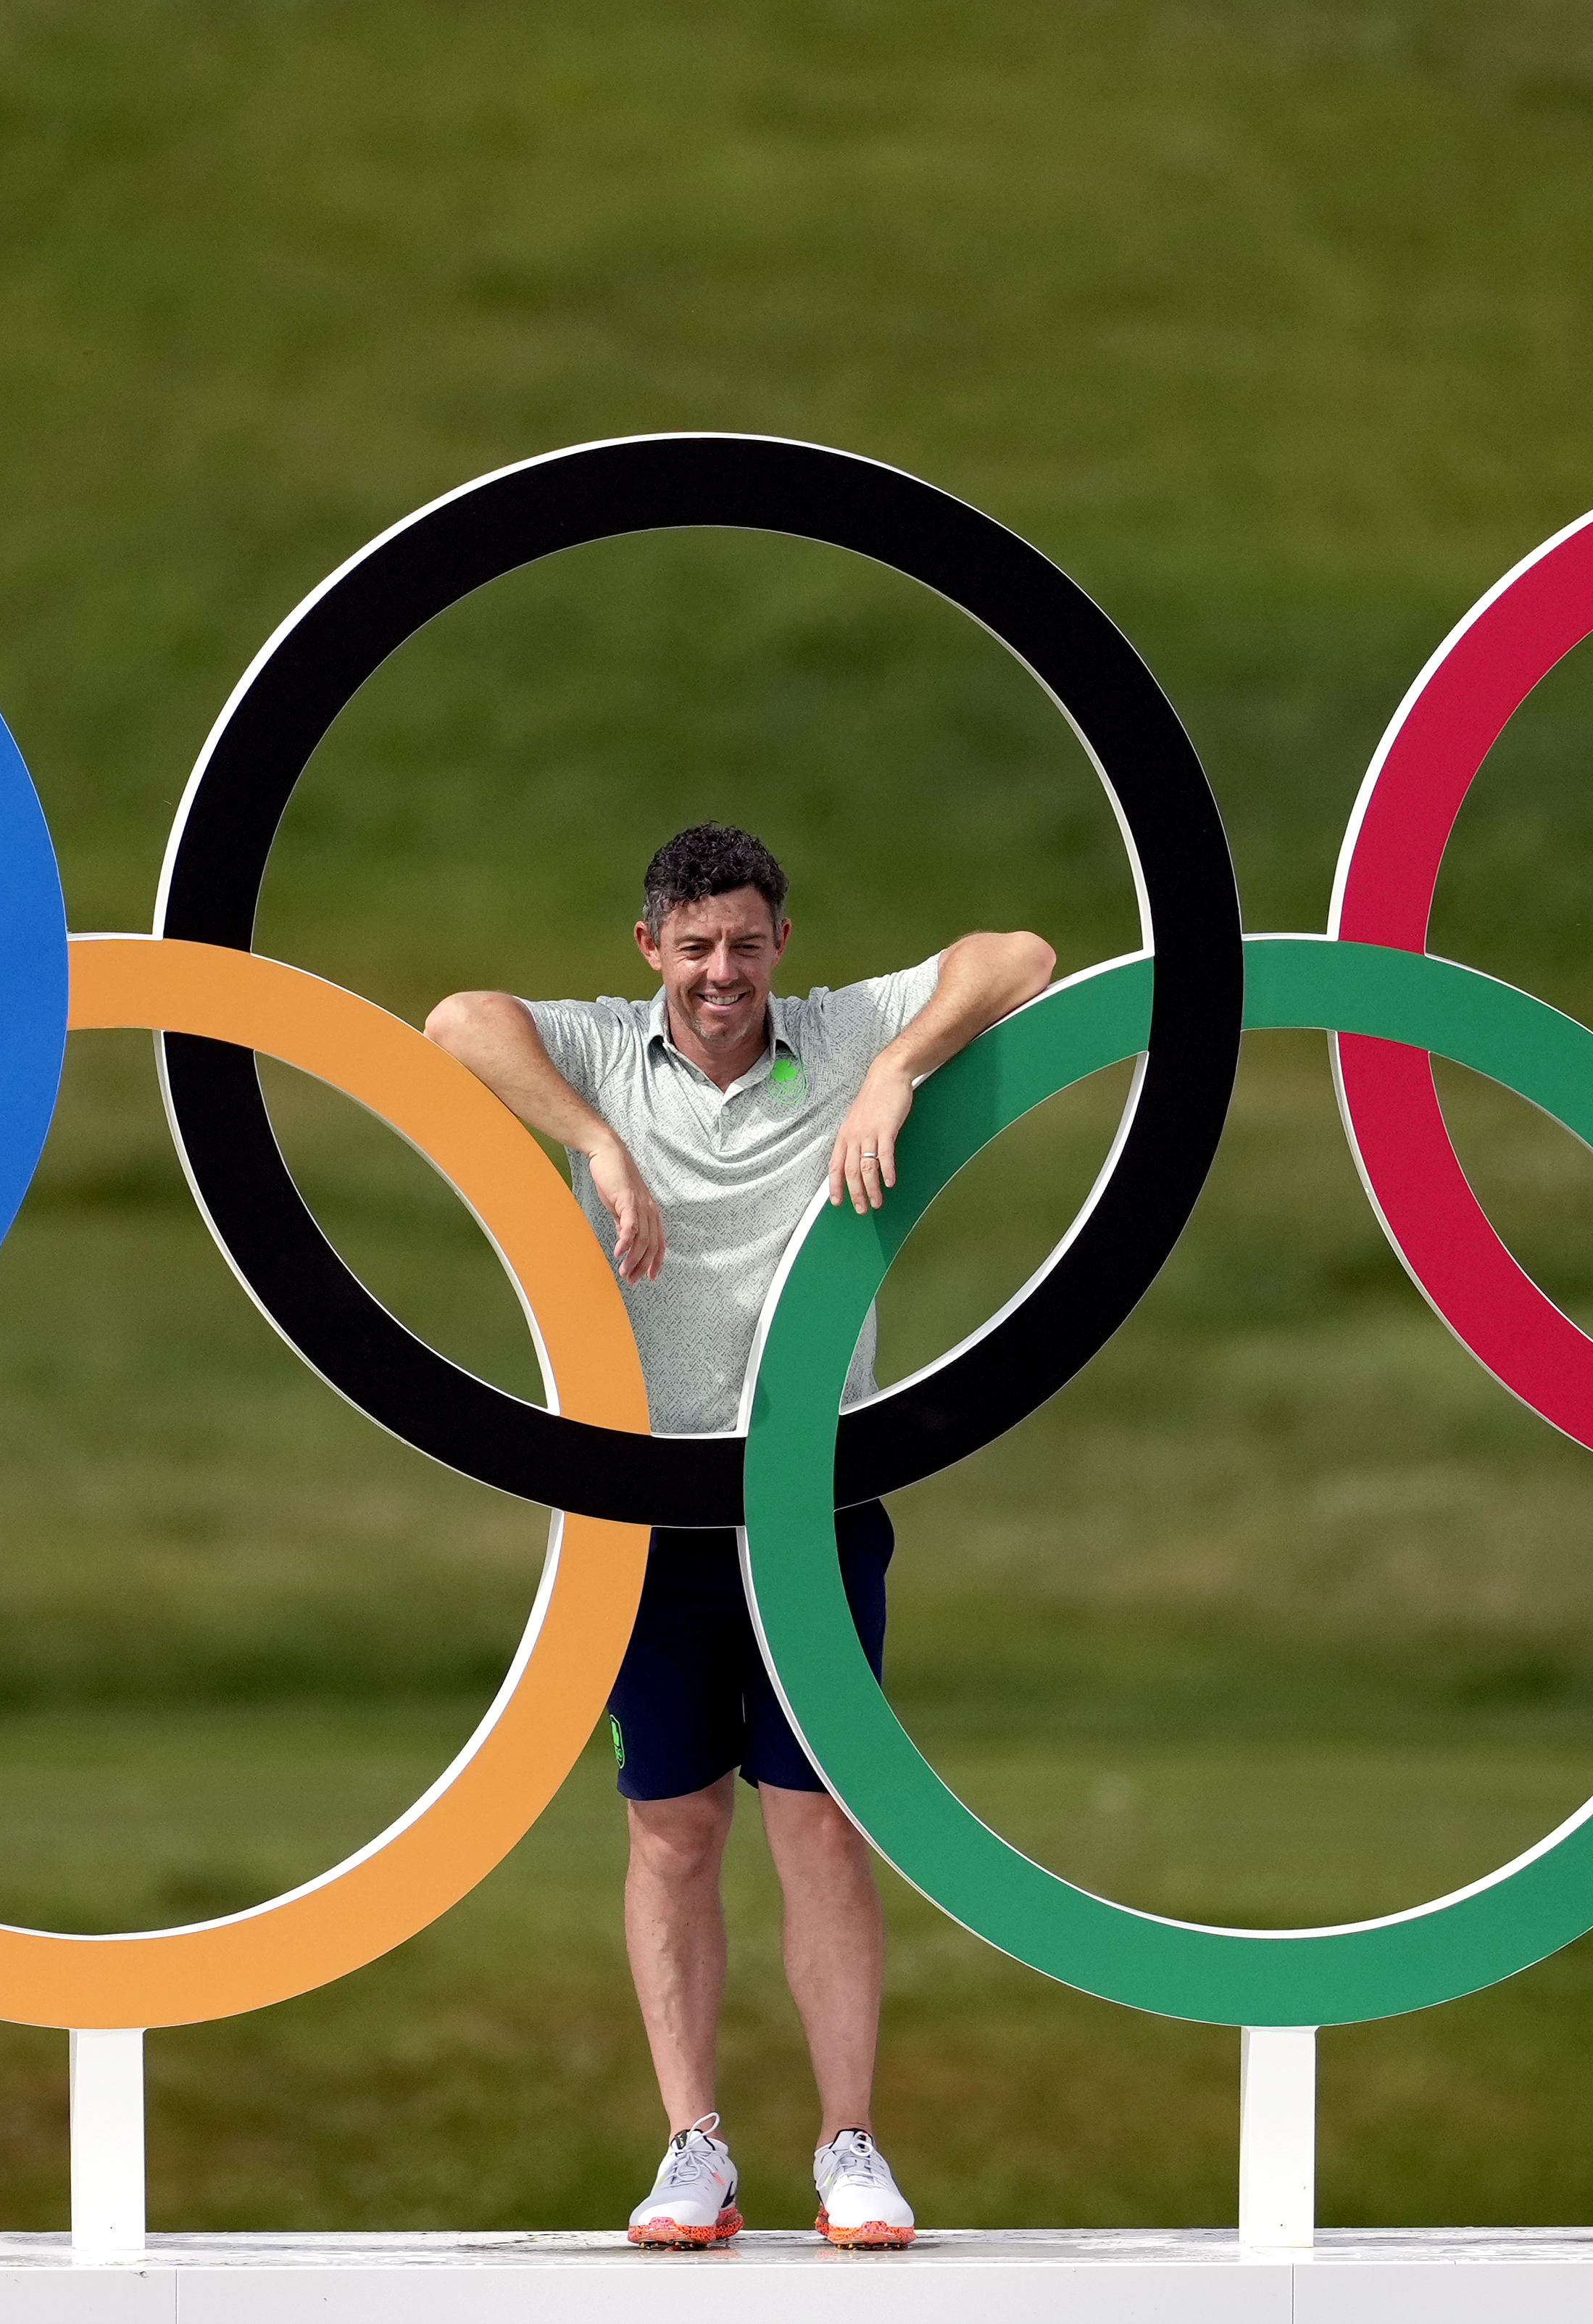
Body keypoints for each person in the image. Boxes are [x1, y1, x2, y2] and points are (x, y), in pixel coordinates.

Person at [425, 822, 1055, 2251]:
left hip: (810, 1496)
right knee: (673, 1829)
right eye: (697, 944)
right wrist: (591, 1143)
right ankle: (694, 2143)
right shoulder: (596, 1049)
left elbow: (1019, 957)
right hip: (646, 1511)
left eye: (750, 942)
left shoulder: (838, 1034)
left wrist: (896, 1069)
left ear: (785, 945)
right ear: (648, 946)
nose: (725, 971)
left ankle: (849, 2141)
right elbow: (455, 1021)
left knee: (822, 1822)